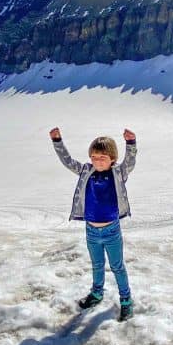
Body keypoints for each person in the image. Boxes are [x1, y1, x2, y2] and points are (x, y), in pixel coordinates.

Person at [49, 126, 137, 321]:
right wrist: (57, 141)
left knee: (117, 266)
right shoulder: (85, 171)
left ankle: (126, 300)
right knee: (97, 265)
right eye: (94, 157)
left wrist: (131, 143)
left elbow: (130, 162)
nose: (97, 161)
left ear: (112, 158)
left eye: (102, 158)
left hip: (112, 231)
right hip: (91, 231)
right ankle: (97, 294)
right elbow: (67, 161)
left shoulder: (118, 173)